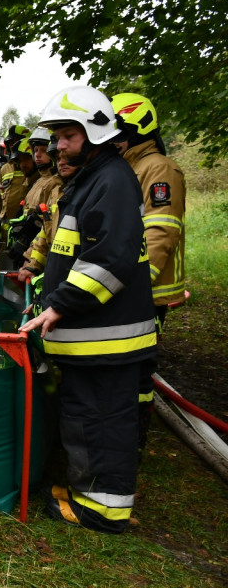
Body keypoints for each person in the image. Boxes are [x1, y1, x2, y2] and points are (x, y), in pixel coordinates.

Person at [21, 85, 157, 534]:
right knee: (86, 417)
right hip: (94, 335)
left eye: (68, 135)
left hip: (106, 337)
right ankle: (86, 493)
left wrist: (60, 306)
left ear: (95, 132)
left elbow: (110, 259)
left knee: (101, 422)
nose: (58, 145)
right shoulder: (94, 178)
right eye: (57, 136)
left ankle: (100, 511)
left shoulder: (111, 180)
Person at [111, 92, 187, 452]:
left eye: (117, 132)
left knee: (137, 369)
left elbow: (160, 232)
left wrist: (137, 285)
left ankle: (133, 441)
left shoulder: (158, 169)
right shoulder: (129, 166)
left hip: (145, 291)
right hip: (128, 285)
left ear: (136, 128)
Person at [7, 128, 61, 268]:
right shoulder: (39, 181)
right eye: (35, 150)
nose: (37, 155)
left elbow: (47, 222)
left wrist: (26, 242)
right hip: (28, 249)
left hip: (37, 251)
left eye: (43, 150)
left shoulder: (54, 182)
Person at [0, 124, 32, 235]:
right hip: (5, 228)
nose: (13, 146)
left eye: (17, 141)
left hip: (24, 226)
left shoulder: (31, 167)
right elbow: (2, 194)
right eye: (10, 143)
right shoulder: (4, 169)